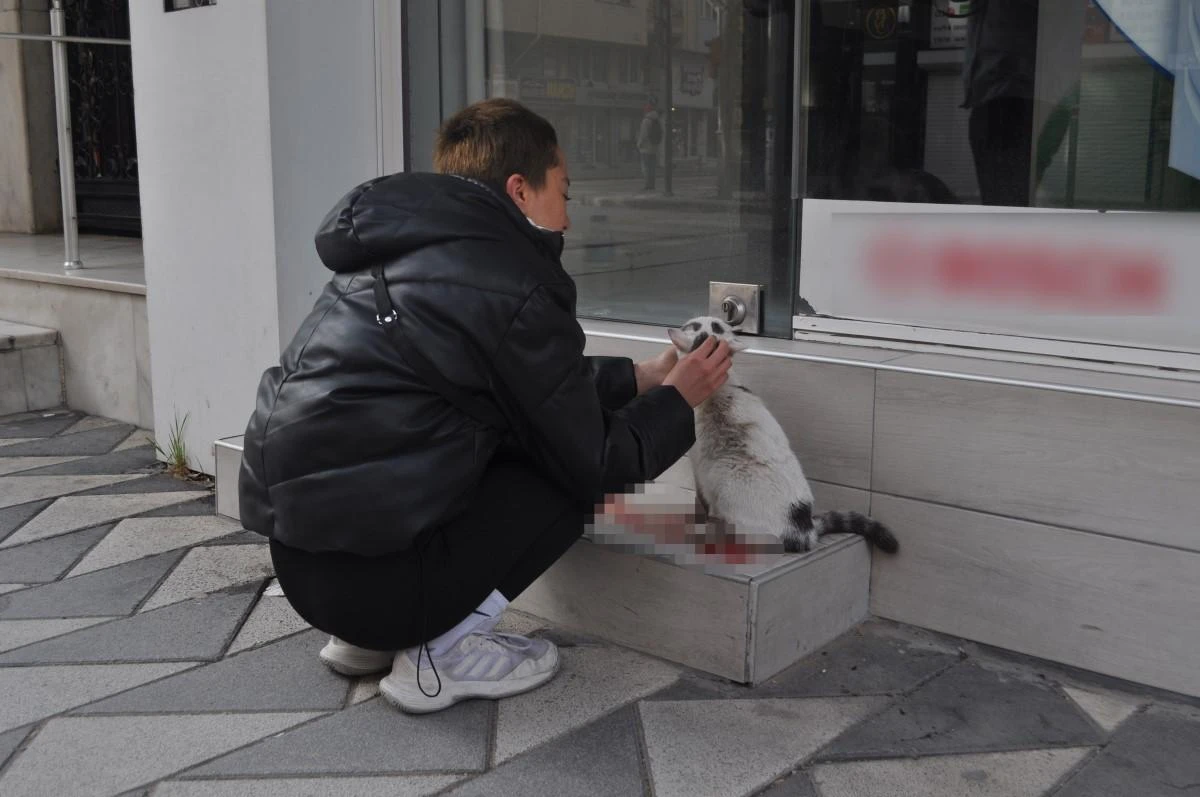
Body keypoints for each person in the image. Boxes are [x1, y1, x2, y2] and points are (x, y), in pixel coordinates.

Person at [237, 98, 732, 715]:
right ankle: (439, 654)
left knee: (524, 437)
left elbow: (515, 381)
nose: (568, 220)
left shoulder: (402, 253)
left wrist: (640, 378)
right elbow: (595, 458)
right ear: (520, 190)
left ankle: (370, 640)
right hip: (380, 585)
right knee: (566, 472)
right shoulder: (511, 278)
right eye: (565, 194)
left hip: (305, 571)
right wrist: (679, 398)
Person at [635, 102, 663, 191]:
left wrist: (639, 144)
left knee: (646, 167)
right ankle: (652, 184)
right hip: (654, 147)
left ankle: (647, 185)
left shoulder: (646, 120)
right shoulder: (657, 120)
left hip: (645, 148)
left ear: (647, 111)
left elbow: (643, 135)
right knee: (652, 167)